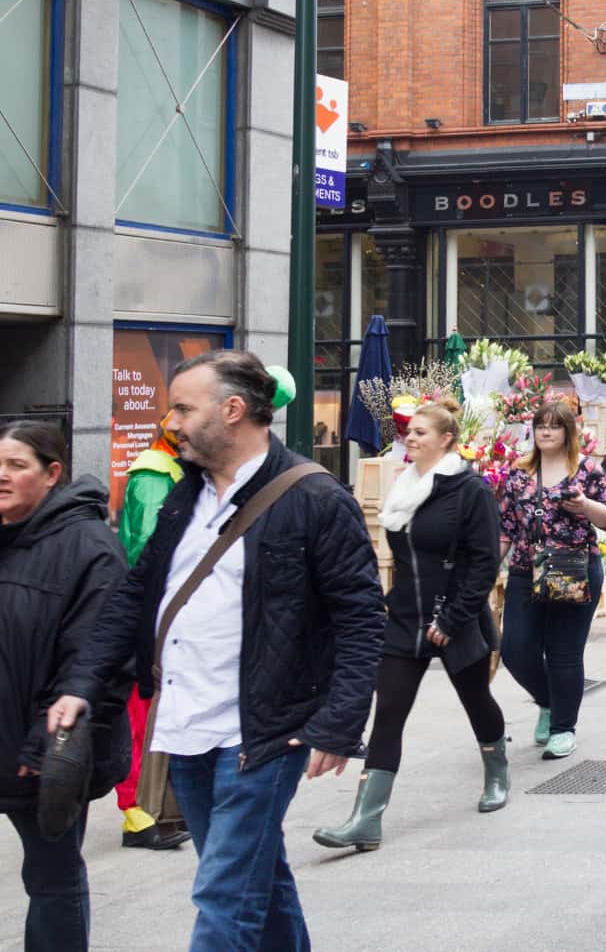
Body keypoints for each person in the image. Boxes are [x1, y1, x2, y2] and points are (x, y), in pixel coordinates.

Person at [58, 350, 383, 952]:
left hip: (264, 731)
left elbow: (363, 619)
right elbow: (136, 596)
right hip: (187, 724)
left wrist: (338, 723)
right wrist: (80, 683)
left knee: (224, 891)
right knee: (258, 877)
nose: (171, 421)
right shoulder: (185, 495)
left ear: (233, 410)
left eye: (183, 407)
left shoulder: (315, 498)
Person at [315, 400, 508, 851]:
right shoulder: (405, 486)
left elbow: (483, 564)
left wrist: (453, 617)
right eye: (410, 431)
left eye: (422, 432)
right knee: (389, 713)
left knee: (476, 699)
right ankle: (366, 818)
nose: (412, 437)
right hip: (405, 618)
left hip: (456, 616)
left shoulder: (470, 490)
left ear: (446, 439)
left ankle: (498, 773)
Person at [0, 422, 131, 951]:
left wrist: (45, 743)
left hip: (46, 751)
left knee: (51, 878)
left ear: (52, 474)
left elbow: (98, 660)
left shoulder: (90, 549)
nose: (1, 477)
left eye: (15, 466)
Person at [497, 396, 606, 762]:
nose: (546, 431)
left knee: (564, 652)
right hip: (524, 567)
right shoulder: (517, 472)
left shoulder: (587, 470)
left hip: (573, 567)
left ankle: (563, 728)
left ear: (569, 432)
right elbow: (505, 527)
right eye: (540, 425)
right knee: (515, 649)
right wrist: (487, 569)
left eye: (553, 426)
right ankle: (548, 701)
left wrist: (584, 505)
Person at [111, 416, 188, 851]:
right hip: (153, 612)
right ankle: (136, 809)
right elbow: (147, 546)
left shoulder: (182, 468)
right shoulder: (154, 471)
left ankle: (153, 802)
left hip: (168, 611)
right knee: (141, 709)